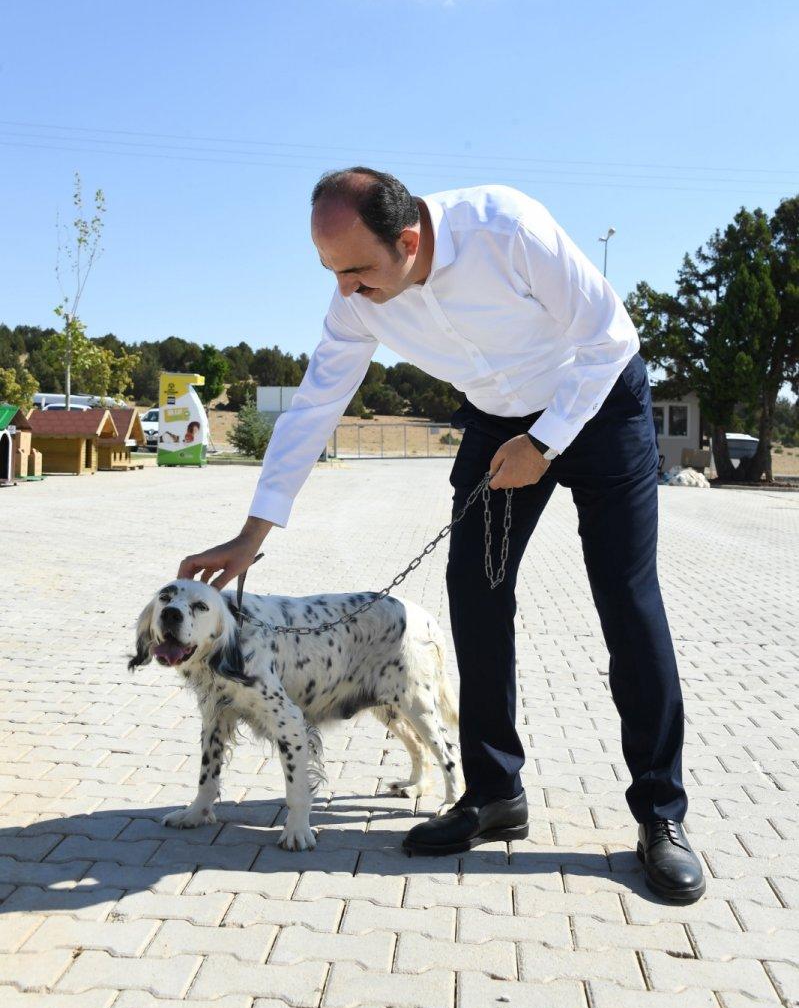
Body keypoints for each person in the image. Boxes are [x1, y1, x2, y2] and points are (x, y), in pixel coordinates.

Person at [179, 168, 705, 902]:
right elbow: (313, 407)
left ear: (408, 240)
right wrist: (249, 533)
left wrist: (546, 443)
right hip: (496, 418)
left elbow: (611, 336)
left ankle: (659, 816)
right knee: (475, 593)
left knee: (625, 599)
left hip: (600, 402)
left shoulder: (506, 229)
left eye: (356, 270)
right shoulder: (357, 300)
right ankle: (495, 796)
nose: (344, 292)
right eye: (330, 273)